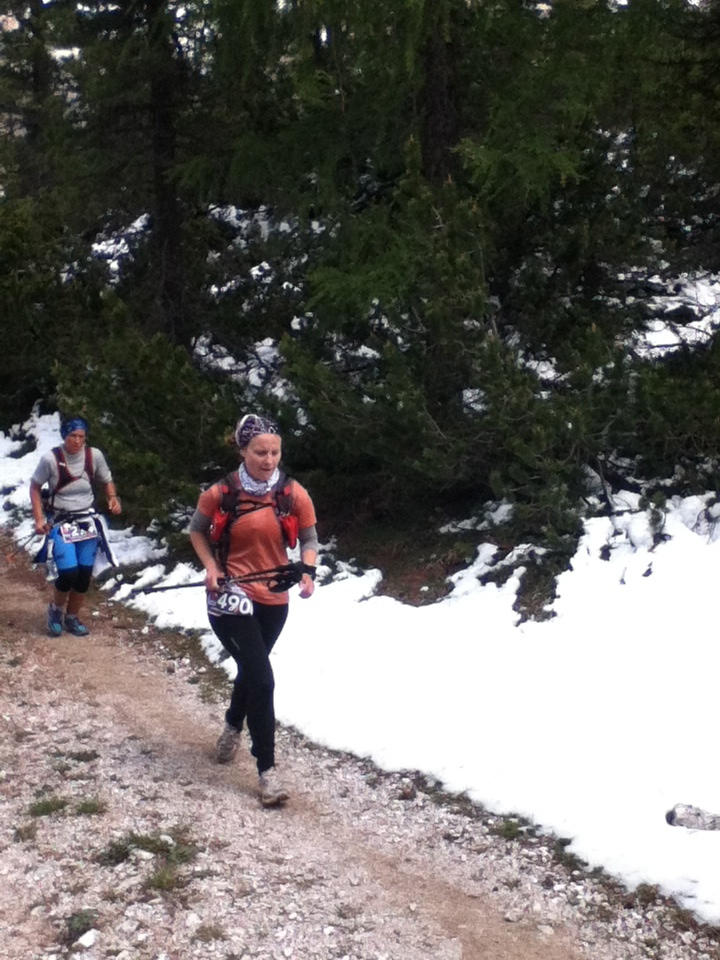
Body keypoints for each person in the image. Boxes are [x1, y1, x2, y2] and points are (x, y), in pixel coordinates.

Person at [188, 414, 318, 807]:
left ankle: (232, 725)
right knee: (262, 679)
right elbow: (197, 530)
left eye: (275, 452)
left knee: (252, 669)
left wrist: (307, 570)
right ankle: (267, 773)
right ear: (242, 449)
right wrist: (212, 568)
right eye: (260, 452)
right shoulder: (221, 493)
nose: (269, 459)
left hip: (274, 598)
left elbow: (309, 537)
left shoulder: (292, 493)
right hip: (229, 597)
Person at [29, 416, 122, 637]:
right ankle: (55, 610)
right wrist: (39, 519)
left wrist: (112, 498)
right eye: (73, 436)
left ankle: (72, 616)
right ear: (64, 435)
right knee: (69, 572)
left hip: (86, 522)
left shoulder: (94, 456)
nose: (77, 441)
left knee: (83, 574)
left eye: (81, 437)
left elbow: (106, 480)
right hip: (61, 521)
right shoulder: (51, 459)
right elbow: (35, 487)